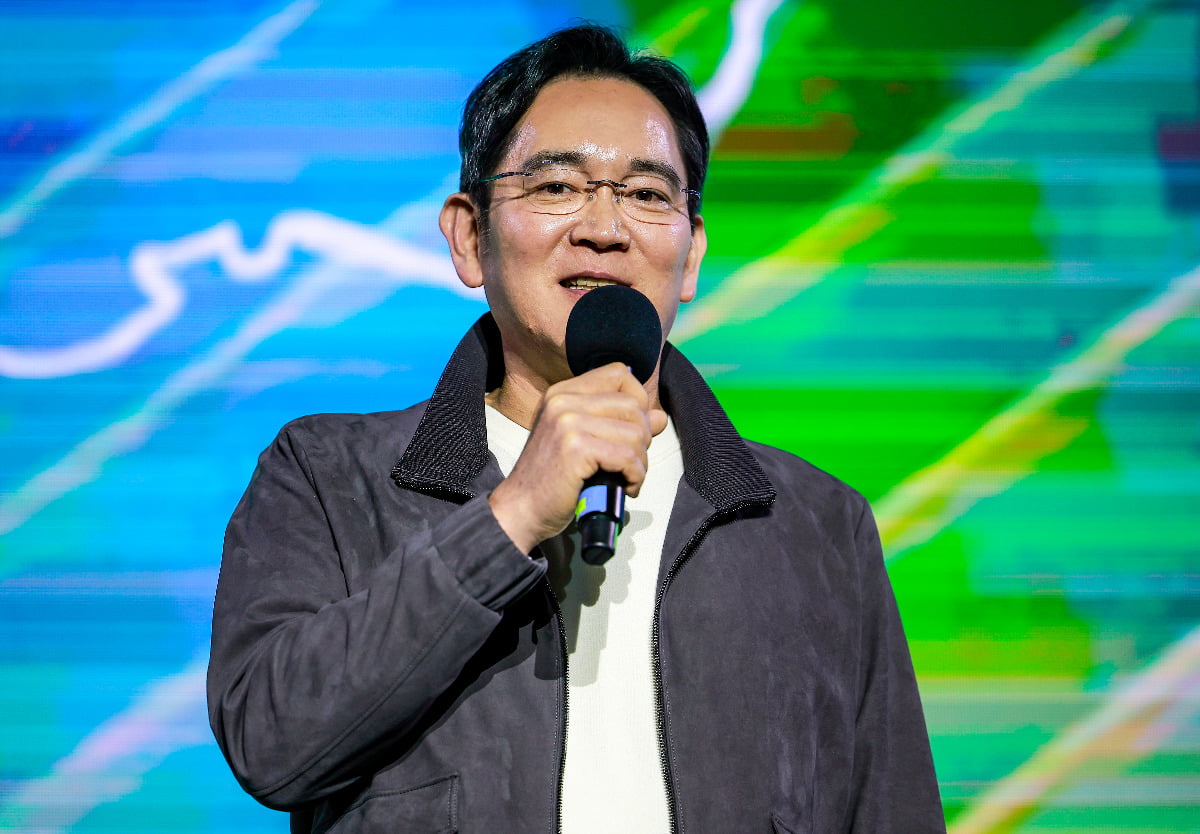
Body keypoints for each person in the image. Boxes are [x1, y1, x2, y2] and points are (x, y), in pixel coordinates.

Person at [208, 24, 945, 834]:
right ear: (468, 236)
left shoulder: (815, 523)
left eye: (647, 195)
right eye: (558, 186)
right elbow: (271, 744)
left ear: (693, 252)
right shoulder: (330, 476)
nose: (604, 227)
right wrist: (512, 515)